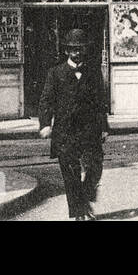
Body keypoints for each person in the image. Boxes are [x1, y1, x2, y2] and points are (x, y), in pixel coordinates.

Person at [38, 28, 109, 220]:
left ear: (85, 50)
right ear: (67, 51)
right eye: (73, 49)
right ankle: (78, 213)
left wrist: (104, 127)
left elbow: (100, 102)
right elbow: (46, 101)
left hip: (90, 129)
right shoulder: (56, 73)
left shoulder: (93, 72)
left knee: (95, 167)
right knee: (71, 174)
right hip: (65, 132)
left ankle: (84, 199)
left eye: (80, 49)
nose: (77, 53)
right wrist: (45, 124)